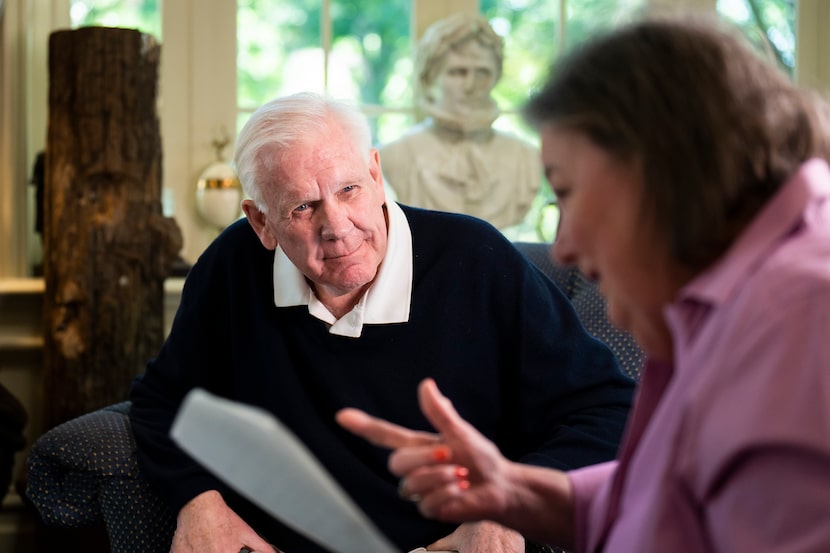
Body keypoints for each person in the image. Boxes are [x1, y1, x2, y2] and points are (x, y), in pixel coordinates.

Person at [337, 13, 830, 553]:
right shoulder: (717, 301)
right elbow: (667, 501)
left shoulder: (804, 322)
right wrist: (515, 493)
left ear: (663, 179)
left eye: (566, 193)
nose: (563, 247)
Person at [128, 91, 636, 553]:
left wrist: (509, 509)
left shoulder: (480, 263)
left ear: (375, 173)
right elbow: (164, 401)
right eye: (304, 206)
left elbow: (611, 412)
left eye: (348, 189)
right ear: (261, 221)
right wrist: (199, 502)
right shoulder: (232, 267)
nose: (337, 226)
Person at [379, 13, 541, 230]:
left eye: (482, 72)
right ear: (429, 78)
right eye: (457, 72)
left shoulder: (525, 157)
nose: (471, 85)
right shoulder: (394, 156)